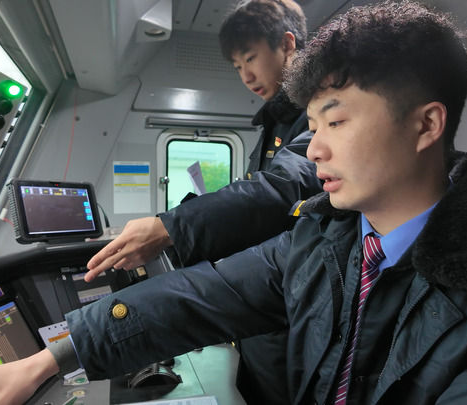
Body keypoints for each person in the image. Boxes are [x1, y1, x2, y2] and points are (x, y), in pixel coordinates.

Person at [0, 2, 467, 404]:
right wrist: (44, 361)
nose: (315, 149)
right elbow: (198, 296)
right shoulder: (328, 241)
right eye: (312, 126)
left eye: (337, 120)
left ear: (425, 125)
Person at [86, 1, 319, 403]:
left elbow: (280, 189)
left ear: (287, 44)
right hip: (265, 293)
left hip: (293, 296)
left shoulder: (316, 114)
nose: (246, 76)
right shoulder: (275, 120)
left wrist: (169, 227)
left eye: (251, 58)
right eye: (237, 66)